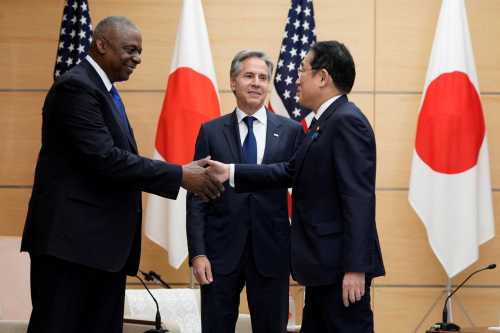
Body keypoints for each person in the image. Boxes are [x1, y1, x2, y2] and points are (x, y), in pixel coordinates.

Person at [21, 16, 222, 333]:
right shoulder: (77, 87)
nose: (138, 59)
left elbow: (117, 159)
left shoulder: (104, 90)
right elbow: (105, 159)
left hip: (99, 250)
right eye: (131, 50)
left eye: (140, 52)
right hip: (71, 248)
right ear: (101, 44)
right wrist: (180, 174)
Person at [207, 41, 385, 333]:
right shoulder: (320, 123)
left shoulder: (347, 122)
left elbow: (358, 199)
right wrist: (231, 171)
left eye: (302, 70)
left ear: (323, 77)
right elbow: (290, 171)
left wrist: (356, 268)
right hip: (321, 267)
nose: (295, 78)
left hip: (340, 269)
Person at [186, 50, 304, 333]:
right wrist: (198, 253)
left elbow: (302, 193)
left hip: (272, 252)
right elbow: (196, 197)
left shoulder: (290, 131)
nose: (257, 83)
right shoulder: (211, 131)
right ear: (233, 82)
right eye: (249, 75)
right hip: (219, 254)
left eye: (263, 77)